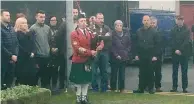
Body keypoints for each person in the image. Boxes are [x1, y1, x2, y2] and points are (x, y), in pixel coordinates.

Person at [69, 13, 103, 104]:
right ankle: (78, 98)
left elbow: (95, 42)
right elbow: (78, 48)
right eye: (81, 21)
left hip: (87, 60)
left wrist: (99, 45)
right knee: (78, 81)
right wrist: (90, 52)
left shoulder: (89, 33)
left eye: (84, 21)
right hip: (78, 60)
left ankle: (84, 97)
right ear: (77, 23)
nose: (84, 23)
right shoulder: (74, 34)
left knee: (86, 81)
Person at [133, 15, 160, 94]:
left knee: (150, 73)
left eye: (147, 20)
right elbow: (136, 44)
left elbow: (158, 45)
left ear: (150, 22)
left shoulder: (154, 32)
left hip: (151, 55)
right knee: (141, 73)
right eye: (144, 20)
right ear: (142, 21)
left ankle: (151, 88)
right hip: (141, 55)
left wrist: (155, 55)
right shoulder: (138, 31)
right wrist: (136, 54)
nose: (146, 22)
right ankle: (140, 88)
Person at [56, 8, 79, 90]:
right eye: (73, 12)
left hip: (77, 50)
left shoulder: (80, 23)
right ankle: (62, 85)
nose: (75, 14)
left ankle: (76, 85)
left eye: (76, 12)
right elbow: (58, 36)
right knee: (63, 68)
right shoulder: (65, 24)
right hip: (65, 50)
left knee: (76, 68)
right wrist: (62, 47)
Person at [29, 10, 51, 89]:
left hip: (47, 55)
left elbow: (50, 41)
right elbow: (31, 43)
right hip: (38, 56)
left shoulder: (47, 28)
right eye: (41, 17)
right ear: (36, 17)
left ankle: (46, 92)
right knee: (36, 76)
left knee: (46, 76)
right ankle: (34, 92)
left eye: (44, 17)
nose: (43, 19)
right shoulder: (32, 28)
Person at [91, 13, 112, 92]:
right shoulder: (92, 28)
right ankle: (95, 88)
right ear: (96, 19)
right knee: (94, 71)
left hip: (104, 52)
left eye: (102, 18)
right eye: (99, 18)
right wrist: (103, 37)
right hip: (94, 52)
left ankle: (104, 88)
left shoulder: (107, 28)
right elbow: (92, 39)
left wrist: (100, 38)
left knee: (105, 71)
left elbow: (110, 38)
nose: (101, 20)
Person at [170, 15, 191, 93]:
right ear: (176, 21)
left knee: (184, 71)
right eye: (178, 20)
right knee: (174, 71)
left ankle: (184, 88)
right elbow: (172, 41)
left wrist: (180, 50)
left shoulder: (187, 30)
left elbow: (186, 41)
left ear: (183, 21)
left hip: (184, 53)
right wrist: (176, 49)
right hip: (175, 53)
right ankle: (174, 87)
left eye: (181, 20)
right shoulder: (173, 29)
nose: (180, 21)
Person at [110, 20, 132, 93]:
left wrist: (127, 52)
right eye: (117, 25)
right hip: (114, 57)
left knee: (122, 74)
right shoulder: (112, 34)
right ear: (115, 26)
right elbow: (111, 46)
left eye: (120, 25)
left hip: (124, 57)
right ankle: (113, 88)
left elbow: (129, 44)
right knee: (114, 74)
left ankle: (121, 88)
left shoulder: (126, 34)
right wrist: (116, 55)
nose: (119, 27)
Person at [14, 17, 37, 86]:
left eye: (26, 23)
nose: (25, 25)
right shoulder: (16, 34)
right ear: (18, 24)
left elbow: (33, 44)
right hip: (22, 59)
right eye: (23, 23)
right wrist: (28, 53)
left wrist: (33, 52)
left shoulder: (30, 33)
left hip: (31, 59)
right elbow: (18, 46)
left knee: (32, 77)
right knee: (22, 78)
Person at [1, 9, 19, 90]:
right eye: (6, 15)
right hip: (3, 60)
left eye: (9, 15)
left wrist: (15, 54)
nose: (9, 17)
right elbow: (1, 46)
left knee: (10, 81)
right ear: (1, 16)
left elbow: (16, 43)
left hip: (12, 59)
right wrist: (11, 55)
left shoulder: (11, 28)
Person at [150, 16, 163, 92]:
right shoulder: (147, 31)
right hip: (149, 55)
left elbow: (161, 44)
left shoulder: (160, 31)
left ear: (156, 23)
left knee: (158, 72)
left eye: (153, 23)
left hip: (158, 55)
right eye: (151, 23)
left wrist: (157, 55)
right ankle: (149, 86)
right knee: (150, 72)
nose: (152, 24)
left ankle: (158, 87)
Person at [47, 16, 60, 92]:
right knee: (48, 70)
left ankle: (55, 86)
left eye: (55, 20)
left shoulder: (59, 29)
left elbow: (61, 39)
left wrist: (58, 48)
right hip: (48, 52)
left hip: (57, 52)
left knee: (55, 70)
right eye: (52, 20)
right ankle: (48, 87)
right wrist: (50, 48)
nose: (53, 21)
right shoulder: (47, 29)